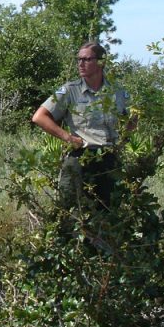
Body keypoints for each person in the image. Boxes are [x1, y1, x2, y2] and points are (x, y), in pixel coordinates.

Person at [32, 41, 132, 207]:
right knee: (71, 210)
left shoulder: (118, 92)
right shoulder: (70, 90)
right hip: (80, 157)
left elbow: (133, 118)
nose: (81, 63)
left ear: (101, 62)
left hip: (109, 158)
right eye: (79, 59)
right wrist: (67, 137)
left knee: (109, 211)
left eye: (87, 59)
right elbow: (39, 117)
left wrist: (123, 139)